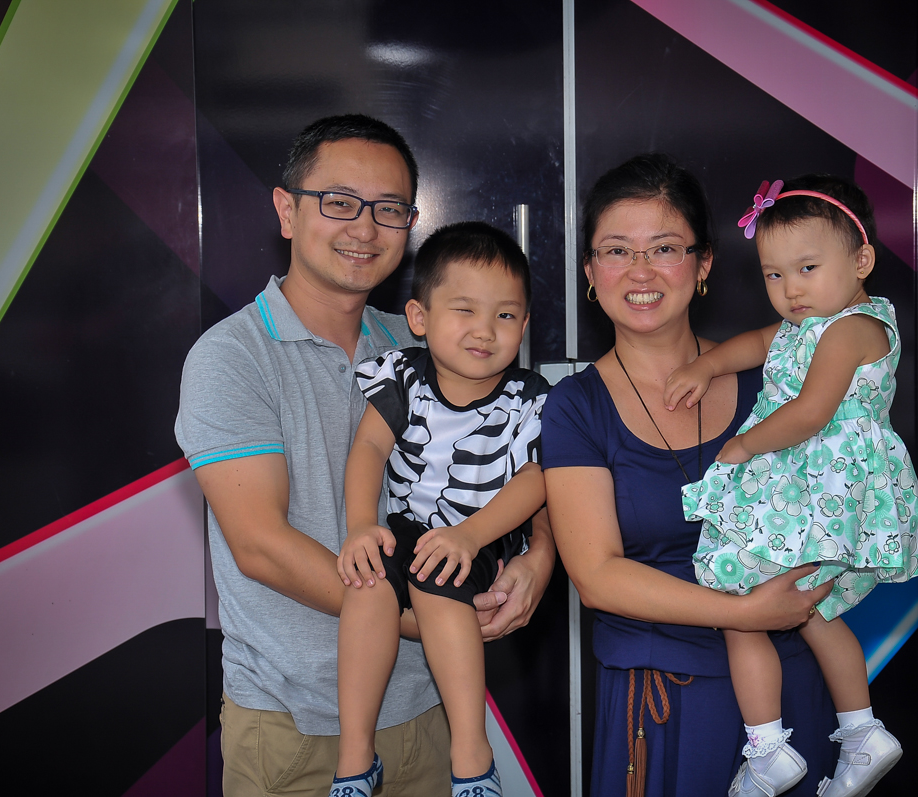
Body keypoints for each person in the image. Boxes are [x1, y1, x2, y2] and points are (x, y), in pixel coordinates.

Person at [175, 115, 555, 797]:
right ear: (286, 210)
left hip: (428, 713)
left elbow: (528, 461)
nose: (365, 227)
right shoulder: (231, 357)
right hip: (297, 726)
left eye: (389, 208)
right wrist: (430, 615)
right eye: (340, 201)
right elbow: (260, 546)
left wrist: (539, 558)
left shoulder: (431, 341)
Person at [541, 153, 838, 797]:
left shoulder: (778, 379)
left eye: (665, 248)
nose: (640, 271)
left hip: (792, 687)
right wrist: (746, 610)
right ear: (590, 272)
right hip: (664, 700)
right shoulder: (575, 407)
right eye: (616, 250)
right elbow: (597, 575)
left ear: (703, 265)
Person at [666, 175, 918, 797]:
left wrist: (742, 447)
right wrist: (707, 364)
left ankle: (769, 748)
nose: (790, 290)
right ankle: (860, 731)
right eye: (773, 275)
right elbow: (760, 344)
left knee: (739, 603)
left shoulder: (853, 328)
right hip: (812, 491)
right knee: (809, 609)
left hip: (819, 489)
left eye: (807, 268)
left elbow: (812, 411)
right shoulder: (810, 323)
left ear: (861, 261)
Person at [332, 222, 548, 797]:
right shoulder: (402, 376)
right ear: (419, 317)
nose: (485, 330)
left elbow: (536, 479)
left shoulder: (531, 398)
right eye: (464, 310)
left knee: (437, 578)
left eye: (505, 315)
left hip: (479, 536)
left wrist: (471, 535)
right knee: (368, 582)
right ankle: (354, 758)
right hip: (404, 526)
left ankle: (472, 756)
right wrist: (361, 525)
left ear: (525, 325)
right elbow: (368, 449)